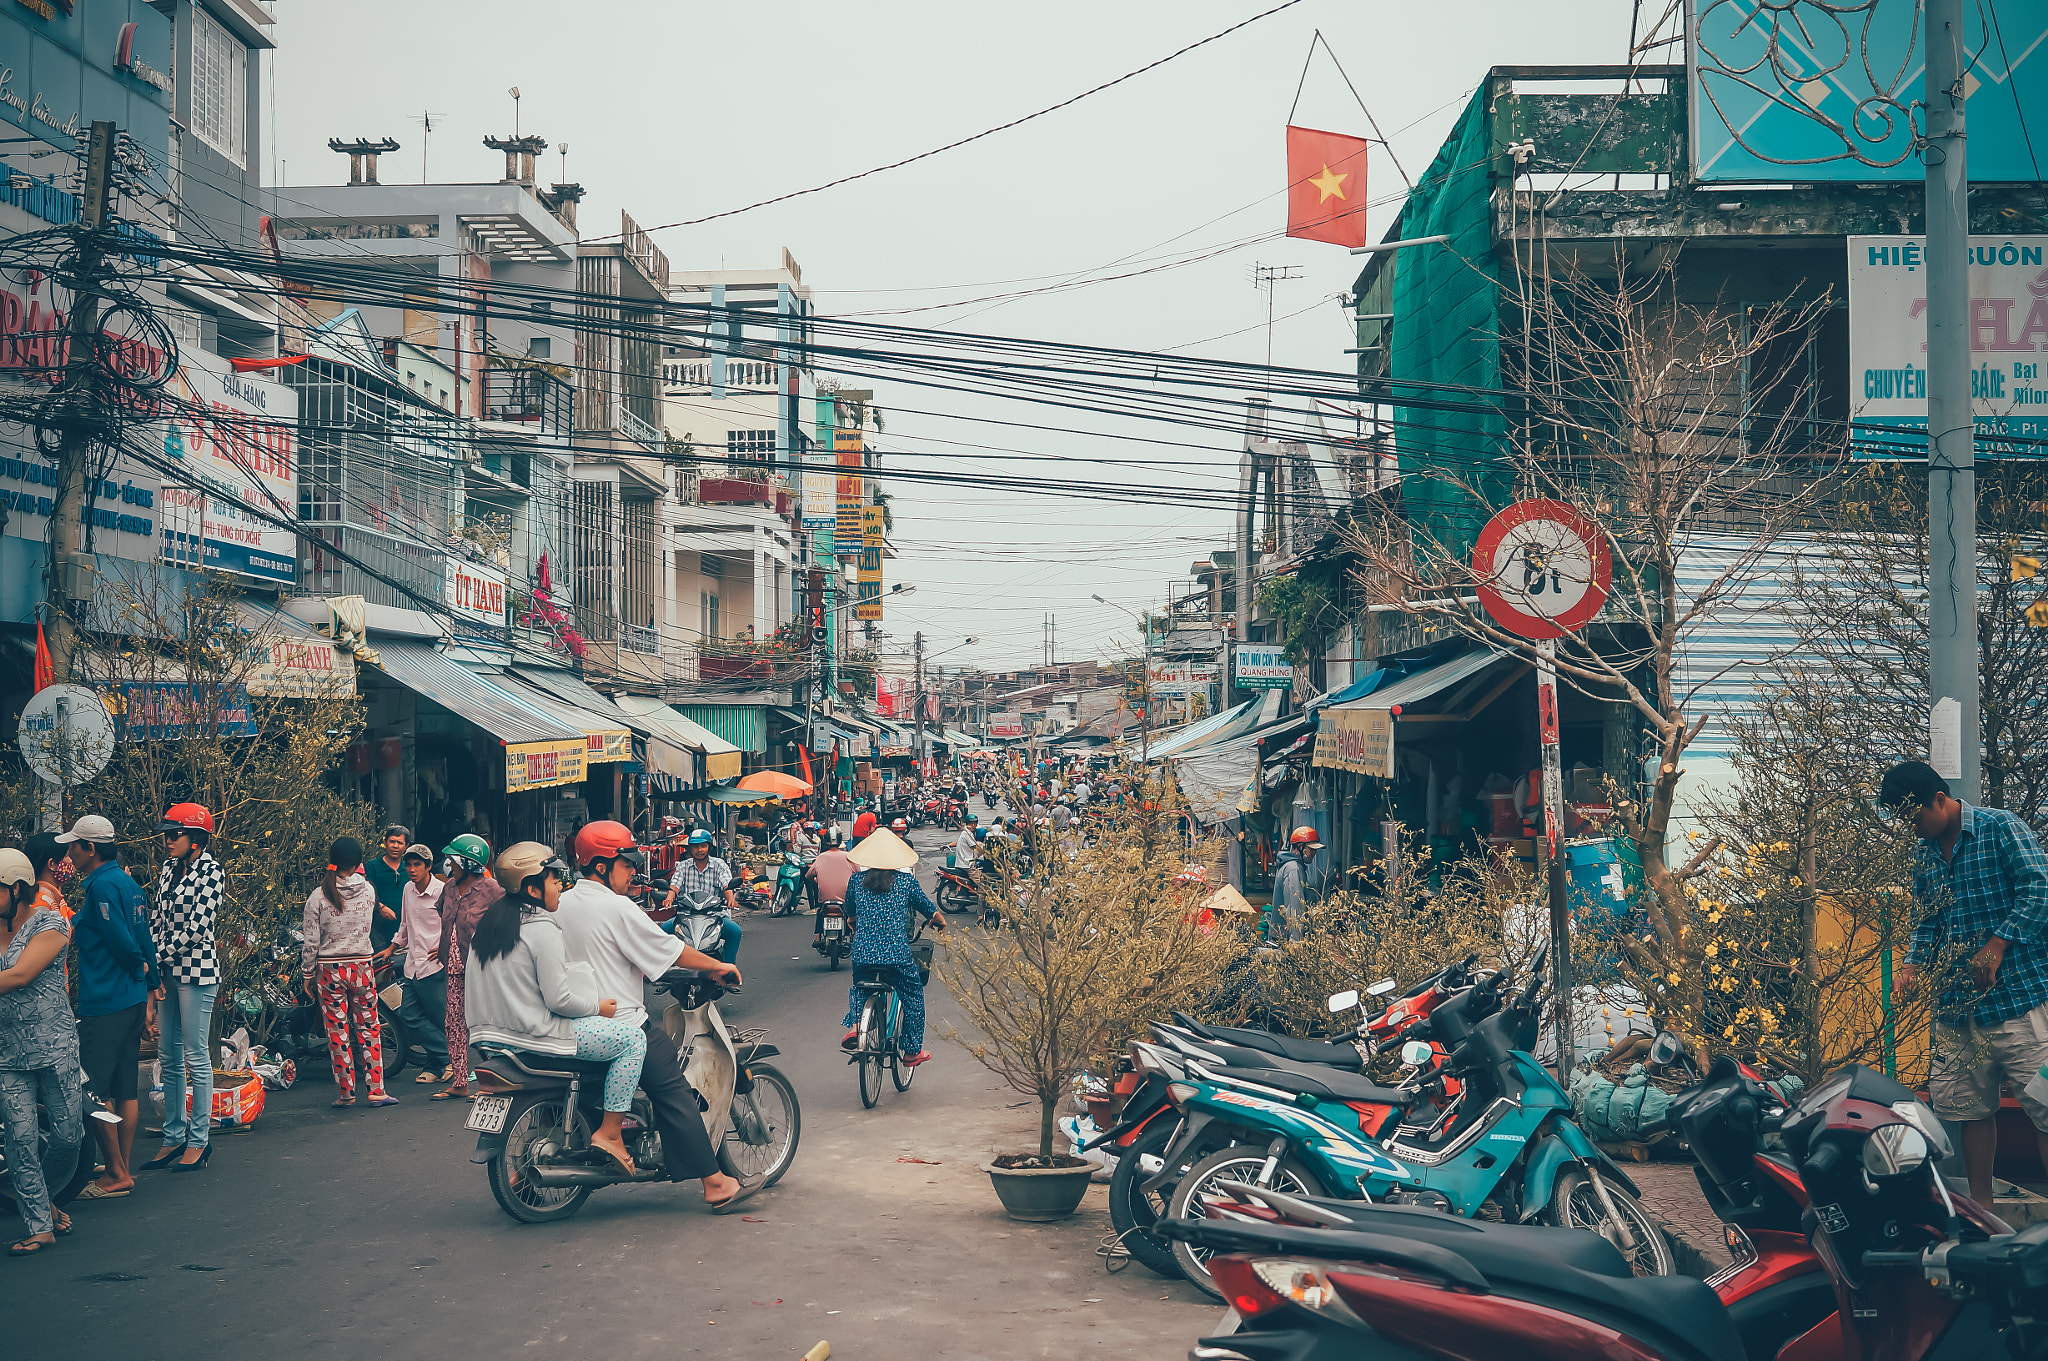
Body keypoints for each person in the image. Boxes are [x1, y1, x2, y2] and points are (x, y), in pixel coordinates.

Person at [553, 821, 759, 1212]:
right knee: (675, 1093)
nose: (633, 872)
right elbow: (670, 951)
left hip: (573, 1023)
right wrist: (716, 966)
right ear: (600, 866)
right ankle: (715, 1183)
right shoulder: (616, 907)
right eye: (626, 864)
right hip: (622, 1022)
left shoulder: (560, 902)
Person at [1882, 759, 2048, 1209]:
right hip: (1956, 1009)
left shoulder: (2000, 828)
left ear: (1940, 799)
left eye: (1914, 817)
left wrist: (1998, 943)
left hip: (2020, 1001)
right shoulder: (1924, 855)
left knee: (2046, 1111)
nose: (1912, 829)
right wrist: (1913, 964)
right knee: (1972, 1113)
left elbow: (2039, 890)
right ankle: (1983, 1213)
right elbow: (1926, 921)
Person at [467, 843, 646, 1174]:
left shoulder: (491, 925)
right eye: (554, 881)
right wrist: (598, 1007)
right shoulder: (540, 928)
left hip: (487, 1041)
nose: (562, 888)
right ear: (532, 887)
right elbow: (559, 1000)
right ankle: (610, 1133)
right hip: (535, 1037)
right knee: (633, 1039)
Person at [59, 814, 157, 1199]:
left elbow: (120, 940)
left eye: (74, 846)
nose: (69, 853)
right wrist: (148, 984)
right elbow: (144, 935)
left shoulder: (100, 887)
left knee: (94, 1090)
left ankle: (116, 1171)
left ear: (90, 849)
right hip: (131, 998)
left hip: (107, 1001)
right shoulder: (129, 883)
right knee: (124, 1087)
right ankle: (121, 1168)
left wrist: (138, 964)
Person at [0, 848, 79, 1255]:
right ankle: (38, 1224)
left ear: (15, 888)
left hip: (55, 1046)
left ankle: (43, 1197)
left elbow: (20, 974)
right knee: (20, 1136)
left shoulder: (50, 923)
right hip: (7, 1053)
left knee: (68, 1137)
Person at [144, 804, 225, 1173]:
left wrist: (155, 954)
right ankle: (174, 1136)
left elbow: (197, 928)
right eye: (167, 833)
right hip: (168, 970)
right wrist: (154, 958)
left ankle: (199, 1139)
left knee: (195, 1055)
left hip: (197, 971)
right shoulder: (166, 870)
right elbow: (158, 919)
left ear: (196, 839)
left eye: (174, 834)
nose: (168, 840)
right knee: (168, 1055)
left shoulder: (212, 871)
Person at [301, 837, 397, 1109]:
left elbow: (311, 942)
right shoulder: (368, 891)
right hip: (362, 966)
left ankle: (346, 1093)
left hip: (329, 970)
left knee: (337, 1031)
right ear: (358, 862)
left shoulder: (318, 896)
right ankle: (377, 1090)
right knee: (369, 1027)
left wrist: (308, 974)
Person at [837, 827, 945, 1066]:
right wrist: (940, 922)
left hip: (862, 952)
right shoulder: (906, 882)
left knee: (859, 988)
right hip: (897, 954)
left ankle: (856, 1025)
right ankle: (911, 1052)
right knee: (913, 997)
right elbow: (929, 910)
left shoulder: (856, 881)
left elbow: (850, 912)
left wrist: (853, 922)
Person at [432, 833, 501, 1101]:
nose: (449, 864)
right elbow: (443, 915)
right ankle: (460, 1082)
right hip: (452, 966)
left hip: (482, 969)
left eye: (453, 860)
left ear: (468, 863)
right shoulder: (449, 888)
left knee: (486, 1025)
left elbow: (506, 922)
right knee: (454, 1024)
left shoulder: (493, 889)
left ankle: (493, 1083)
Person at [385, 845, 453, 1085]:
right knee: (410, 1015)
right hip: (412, 964)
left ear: (428, 866)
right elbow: (405, 924)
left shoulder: (442, 890)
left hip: (434, 966)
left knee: (437, 1019)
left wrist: (446, 947)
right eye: (409, 865)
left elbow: (455, 925)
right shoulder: (407, 889)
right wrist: (392, 948)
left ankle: (436, 1065)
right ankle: (450, 1057)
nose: (412, 870)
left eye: (417, 865)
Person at [663, 829, 743, 965]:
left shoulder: (719, 864)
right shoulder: (683, 866)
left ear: (709, 847)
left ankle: (729, 970)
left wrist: (731, 900)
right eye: (695, 846)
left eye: (703, 846)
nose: (699, 850)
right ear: (690, 849)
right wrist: (669, 898)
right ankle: (666, 970)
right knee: (664, 931)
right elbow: (675, 885)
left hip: (715, 915)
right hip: (686, 916)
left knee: (734, 931)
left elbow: (726, 885)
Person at [1268, 826, 1322, 944]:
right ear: (1300, 847)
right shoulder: (1293, 869)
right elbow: (1294, 907)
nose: (1314, 852)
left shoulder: (1294, 866)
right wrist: (1296, 944)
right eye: (1311, 849)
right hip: (1287, 940)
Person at [360, 825, 409, 953]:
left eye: (400, 843)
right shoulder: (372, 866)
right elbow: (365, 894)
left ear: (406, 846)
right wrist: (380, 907)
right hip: (379, 929)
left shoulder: (410, 868)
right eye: (392, 841)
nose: (395, 846)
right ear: (385, 843)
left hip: (404, 932)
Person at [809, 829, 859, 944]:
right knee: (853, 912)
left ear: (826, 841)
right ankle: (853, 933)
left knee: (820, 912)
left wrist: (817, 880)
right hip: (845, 897)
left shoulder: (821, 857)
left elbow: (809, 875)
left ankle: (817, 937)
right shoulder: (849, 857)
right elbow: (858, 874)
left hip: (825, 898)